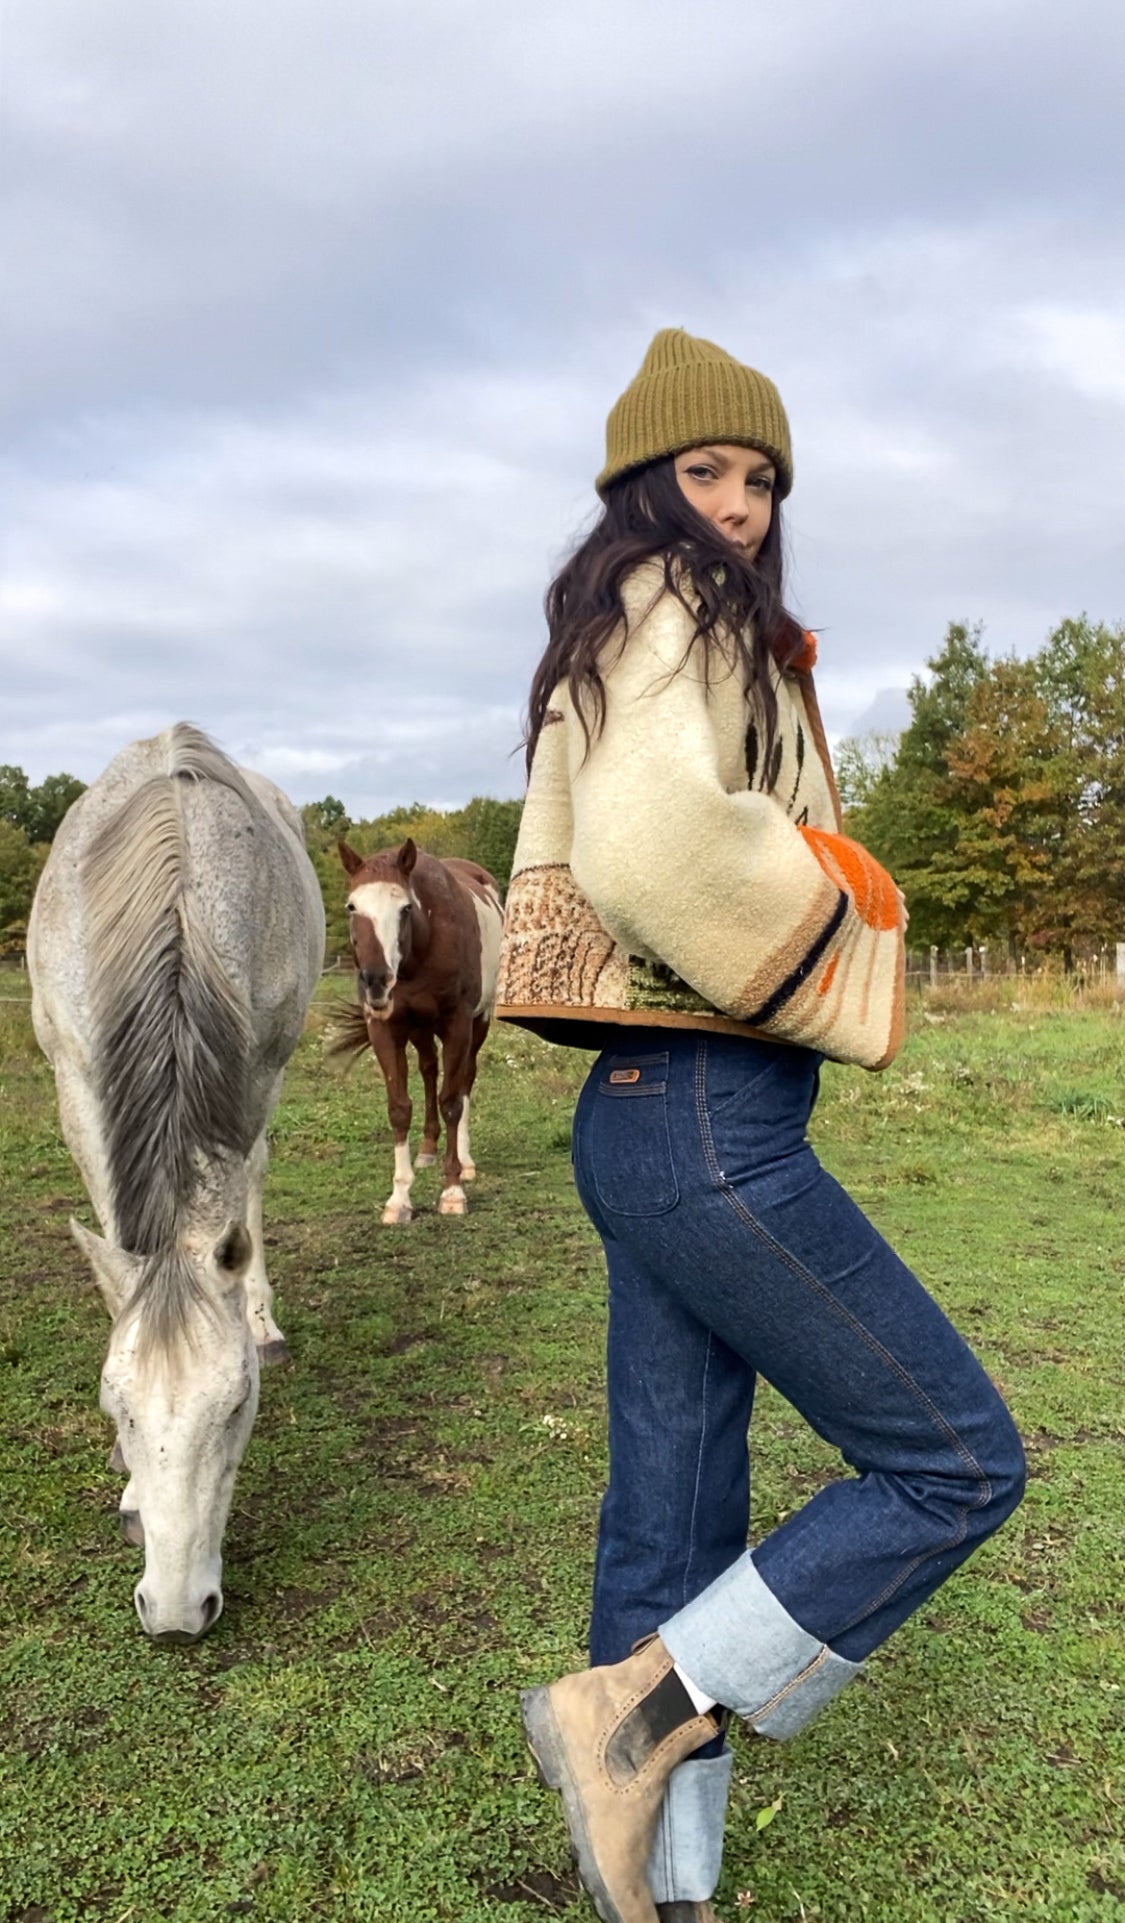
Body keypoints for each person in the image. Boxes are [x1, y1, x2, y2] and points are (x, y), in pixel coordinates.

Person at [493, 328, 1025, 1923]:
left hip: (647, 1118)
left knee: (670, 1519)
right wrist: (841, 904)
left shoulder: (628, 617)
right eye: (704, 471)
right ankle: (623, 1716)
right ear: (642, 483)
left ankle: (664, 1882)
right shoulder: (680, 601)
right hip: (713, 1120)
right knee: (952, 1462)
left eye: (759, 479)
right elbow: (658, 844)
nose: (734, 505)